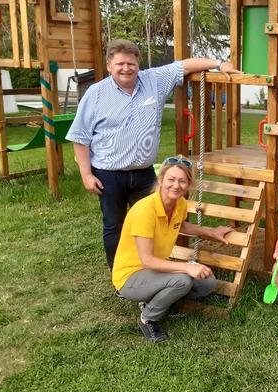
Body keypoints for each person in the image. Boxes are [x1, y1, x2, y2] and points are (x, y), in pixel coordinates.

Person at [66, 39, 241, 269]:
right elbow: (80, 136)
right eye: (120, 64)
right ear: (109, 65)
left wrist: (219, 64)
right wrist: (87, 175)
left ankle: (153, 266)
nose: (126, 68)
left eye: (131, 63)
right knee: (114, 226)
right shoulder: (96, 93)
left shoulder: (153, 80)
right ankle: (121, 275)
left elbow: (185, 65)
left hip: (144, 174)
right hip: (109, 174)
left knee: (157, 220)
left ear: (138, 64)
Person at [112, 156, 233, 343]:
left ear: (188, 185)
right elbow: (147, 261)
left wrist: (212, 232)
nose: (176, 185)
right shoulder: (144, 210)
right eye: (171, 179)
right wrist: (187, 267)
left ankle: (160, 301)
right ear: (161, 181)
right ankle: (148, 317)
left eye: (182, 181)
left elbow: (182, 226)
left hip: (155, 271)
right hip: (131, 276)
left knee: (207, 283)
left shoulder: (180, 204)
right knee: (183, 280)